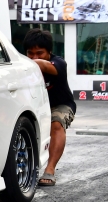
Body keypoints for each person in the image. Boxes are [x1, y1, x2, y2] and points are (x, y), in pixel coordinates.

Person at [23, 29, 75, 187]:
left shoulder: (59, 63)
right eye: (30, 53)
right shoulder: (22, 65)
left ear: (49, 52)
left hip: (61, 105)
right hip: (36, 107)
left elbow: (44, 66)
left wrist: (26, 63)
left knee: (56, 123)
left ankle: (50, 169)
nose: (34, 57)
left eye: (40, 53)